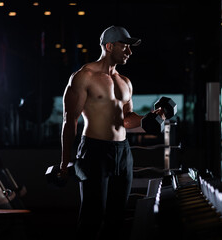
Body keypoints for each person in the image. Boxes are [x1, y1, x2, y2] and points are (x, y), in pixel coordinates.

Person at [59, 25, 164, 239]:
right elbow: (69, 121)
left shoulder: (125, 81)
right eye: (125, 47)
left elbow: (127, 120)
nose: (129, 52)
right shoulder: (83, 77)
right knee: (92, 218)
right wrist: (64, 162)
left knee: (116, 219)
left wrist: (150, 117)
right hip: (94, 150)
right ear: (109, 46)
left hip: (123, 153)